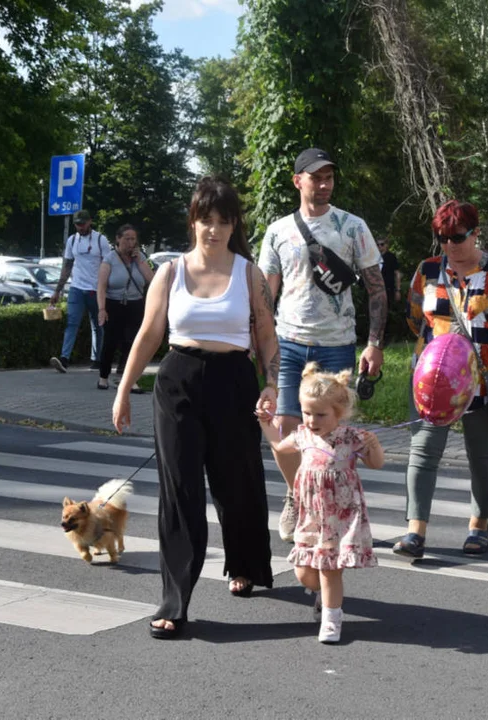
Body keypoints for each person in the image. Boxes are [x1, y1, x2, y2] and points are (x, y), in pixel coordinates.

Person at [112, 177, 278, 639]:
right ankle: (174, 601)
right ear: (194, 221)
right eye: (207, 221)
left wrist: (273, 385)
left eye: (224, 222)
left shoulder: (249, 274)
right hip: (178, 381)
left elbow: (266, 334)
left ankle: (244, 564)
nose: (215, 230)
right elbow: (148, 334)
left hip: (234, 381)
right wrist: (124, 388)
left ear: (233, 225)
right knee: (180, 492)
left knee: (237, 483)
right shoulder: (169, 272)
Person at [258, 147, 387, 544]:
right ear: (298, 181)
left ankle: (329, 503)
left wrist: (375, 344)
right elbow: (265, 296)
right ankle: (297, 496)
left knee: (330, 436)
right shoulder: (278, 231)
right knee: (284, 427)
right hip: (289, 343)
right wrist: (261, 347)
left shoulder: (352, 226)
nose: (325, 184)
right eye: (316, 177)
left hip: (336, 346)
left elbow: (376, 288)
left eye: (329, 177)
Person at [394, 199, 488, 559]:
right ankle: (415, 533)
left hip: (481, 381)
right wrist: (438, 352)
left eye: (457, 237)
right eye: (442, 237)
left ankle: (479, 526)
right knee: (423, 453)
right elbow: (415, 317)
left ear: (475, 233)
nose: (450, 245)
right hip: (432, 381)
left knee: (481, 456)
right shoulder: (427, 270)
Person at [259, 362, 384, 644]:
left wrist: (374, 445)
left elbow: (376, 464)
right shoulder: (303, 435)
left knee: (329, 569)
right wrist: (265, 423)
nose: (312, 420)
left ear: (338, 413)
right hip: (312, 514)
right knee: (304, 573)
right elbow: (279, 446)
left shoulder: (350, 438)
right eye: (306, 412)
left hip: (340, 514)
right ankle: (323, 598)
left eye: (320, 414)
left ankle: (331, 618)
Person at [49, 209, 113, 372]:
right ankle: (64, 359)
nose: (80, 227)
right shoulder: (72, 240)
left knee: (98, 325)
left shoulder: (101, 240)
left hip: (96, 289)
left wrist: (105, 288)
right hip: (76, 288)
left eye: (83, 224)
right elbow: (67, 265)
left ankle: (98, 359)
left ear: (90, 222)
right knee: (72, 323)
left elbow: (108, 264)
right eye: (77, 224)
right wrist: (58, 290)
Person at [96, 224, 154, 391]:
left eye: (133, 239)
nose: (130, 243)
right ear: (118, 239)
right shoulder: (109, 259)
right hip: (114, 304)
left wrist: (139, 261)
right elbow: (101, 286)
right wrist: (102, 309)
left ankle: (128, 378)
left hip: (135, 304)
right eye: (127, 239)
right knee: (110, 342)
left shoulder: (140, 257)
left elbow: (152, 280)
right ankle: (103, 377)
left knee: (133, 342)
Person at [375, 236, 402, 308]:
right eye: (377, 244)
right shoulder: (373, 257)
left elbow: (397, 274)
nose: (379, 246)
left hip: (387, 289)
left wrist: (398, 290)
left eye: (382, 244)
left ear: (386, 245)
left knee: (386, 311)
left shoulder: (391, 257)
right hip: (375, 290)